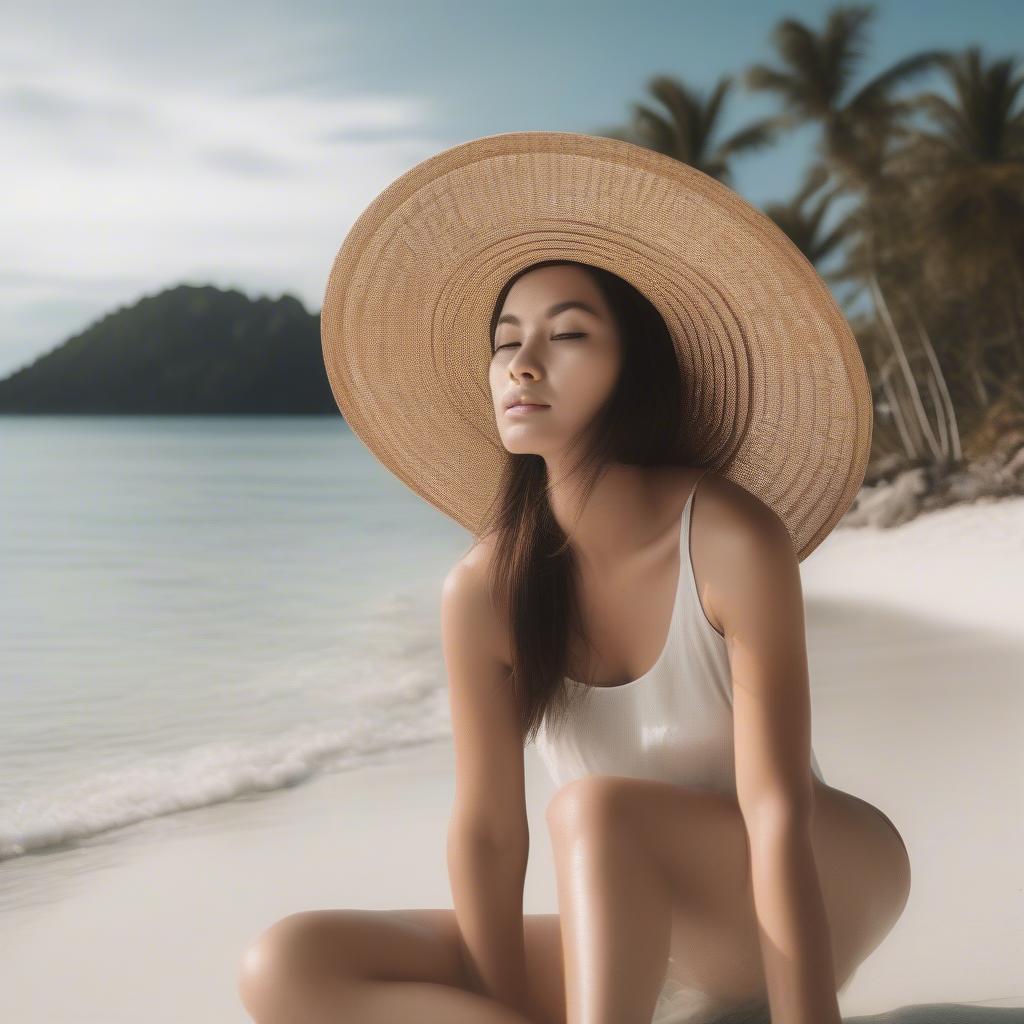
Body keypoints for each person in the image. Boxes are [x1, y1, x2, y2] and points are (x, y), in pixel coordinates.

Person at [238, 133, 912, 1024]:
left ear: (633, 366)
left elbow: (775, 804)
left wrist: (805, 1016)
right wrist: (501, 996)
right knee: (288, 965)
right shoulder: (485, 588)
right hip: (650, 916)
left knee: (593, 812)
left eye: (568, 336)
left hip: (817, 877)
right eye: (507, 340)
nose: (523, 363)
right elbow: (486, 831)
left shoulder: (729, 535)